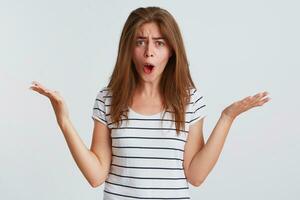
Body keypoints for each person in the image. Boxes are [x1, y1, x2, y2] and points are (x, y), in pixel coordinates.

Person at [29, 6, 271, 200]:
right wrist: (64, 120)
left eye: (159, 42)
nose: (149, 52)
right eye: (140, 41)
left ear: (171, 51)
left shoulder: (190, 101)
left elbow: (196, 176)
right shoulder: (108, 99)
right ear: (128, 48)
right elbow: (95, 176)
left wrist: (227, 117)